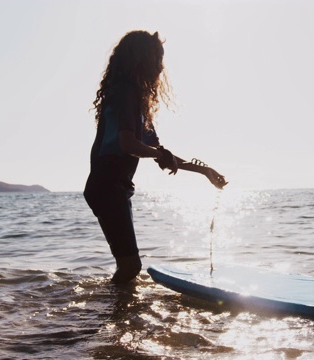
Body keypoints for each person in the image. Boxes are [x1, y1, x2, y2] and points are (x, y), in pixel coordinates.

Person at [84, 30, 228, 284]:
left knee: (128, 265)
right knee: (130, 267)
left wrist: (204, 171)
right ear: (142, 60)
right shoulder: (125, 94)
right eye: (158, 59)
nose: (161, 67)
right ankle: (111, 315)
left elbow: (158, 152)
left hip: (114, 187)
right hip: (107, 186)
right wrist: (160, 155)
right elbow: (128, 144)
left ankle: (113, 312)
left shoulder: (136, 102)